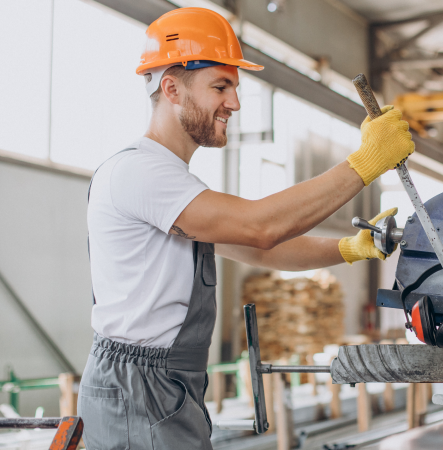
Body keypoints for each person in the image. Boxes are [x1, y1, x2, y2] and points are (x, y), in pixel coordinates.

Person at [77, 7, 414, 450]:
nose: (234, 103)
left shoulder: (175, 185)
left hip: (165, 382)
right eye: (221, 86)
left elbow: (263, 252)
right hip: (139, 385)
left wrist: (351, 248)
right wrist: (367, 161)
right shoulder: (140, 174)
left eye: (235, 87)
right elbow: (260, 228)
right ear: (171, 88)